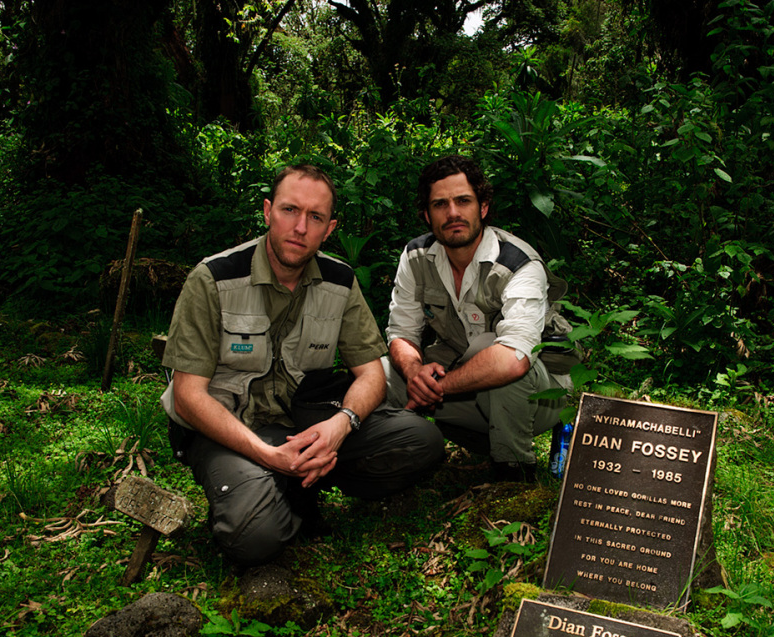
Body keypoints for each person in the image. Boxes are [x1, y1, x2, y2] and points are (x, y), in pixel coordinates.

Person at [160, 164, 444, 566]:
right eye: (290, 210)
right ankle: (280, 486)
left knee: (423, 442)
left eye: (315, 217)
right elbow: (188, 397)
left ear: (329, 229)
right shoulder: (213, 279)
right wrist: (268, 456)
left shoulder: (339, 281)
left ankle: (300, 477)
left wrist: (340, 425)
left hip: (305, 423)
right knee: (252, 538)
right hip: (230, 431)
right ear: (267, 211)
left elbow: (371, 372)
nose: (300, 227)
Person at [384, 155, 578, 481]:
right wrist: (415, 371)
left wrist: (437, 387)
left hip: (539, 396)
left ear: (483, 207)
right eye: (440, 204)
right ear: (426, 215)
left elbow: (515, 359)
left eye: (463, 201)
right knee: (381, 375)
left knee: (493, 351)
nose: (453, 213)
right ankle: (396, 465)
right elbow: (401, 331)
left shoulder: (519, 263)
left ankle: (514, 473)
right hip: (464, 389)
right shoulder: (416, 257)